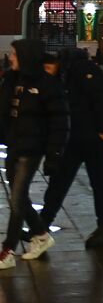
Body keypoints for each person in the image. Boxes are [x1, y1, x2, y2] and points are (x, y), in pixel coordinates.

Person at [39, 49, 103, 248]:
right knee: (69, 181)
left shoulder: (81, 69)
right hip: (79, 137)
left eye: (48, 68)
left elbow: (101, 97)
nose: (47, 72)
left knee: (86, 182)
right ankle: (42, 225)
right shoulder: (70, 73)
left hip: (90, 139)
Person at [0, 39, 69, 269]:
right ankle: (41, 236)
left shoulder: (48, 85)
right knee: (19, 197)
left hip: (32, 149)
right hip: (14, 145)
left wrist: (53, 153)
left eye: (14, 54)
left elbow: (59, 121)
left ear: (26, 57)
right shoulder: (11, 80)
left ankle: (7, 250)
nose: (10, 57)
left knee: (17, 199)